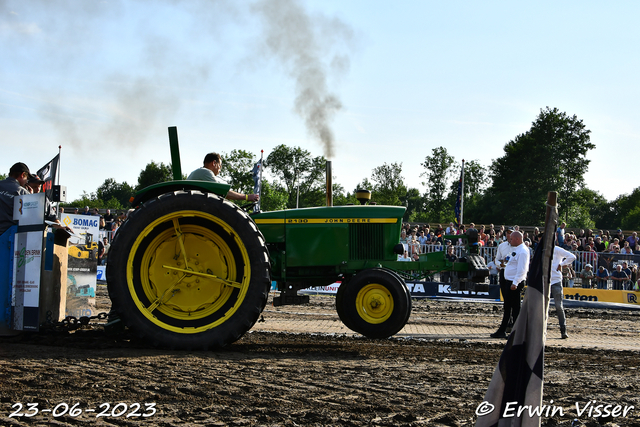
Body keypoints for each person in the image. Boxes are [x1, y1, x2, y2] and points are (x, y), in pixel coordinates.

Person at [491, 230, 529, 339]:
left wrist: (515, 283)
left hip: (514, 283)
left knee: (515, 308)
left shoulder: (522, 251)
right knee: (507, 307)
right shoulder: (516, 250)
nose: (509, 240)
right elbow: (508, 263)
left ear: (517, 239)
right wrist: (503, 262)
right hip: (509, 281)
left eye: (511, 239)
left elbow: (522, 269)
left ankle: (517, 332)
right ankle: (503, 330)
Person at [187, 152, 260, 202]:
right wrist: (246, 197)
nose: (220, 169)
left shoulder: (198, 172)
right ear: (214, 163)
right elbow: (222, 192)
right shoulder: (206, 172)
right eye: (220, 166)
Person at [551, 245, 577, 339]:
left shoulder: (557, 249)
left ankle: (563, 330)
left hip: (555, 281)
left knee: (559, 306)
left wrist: (561, 264)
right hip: (545, 281)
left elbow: (572, 257)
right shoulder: (541, 250)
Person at [0, 162, 31, 236]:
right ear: (22, 175)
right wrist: (31, 196)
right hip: (7, 237)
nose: (26, 181)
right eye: (27, 178)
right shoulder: (22, 192)